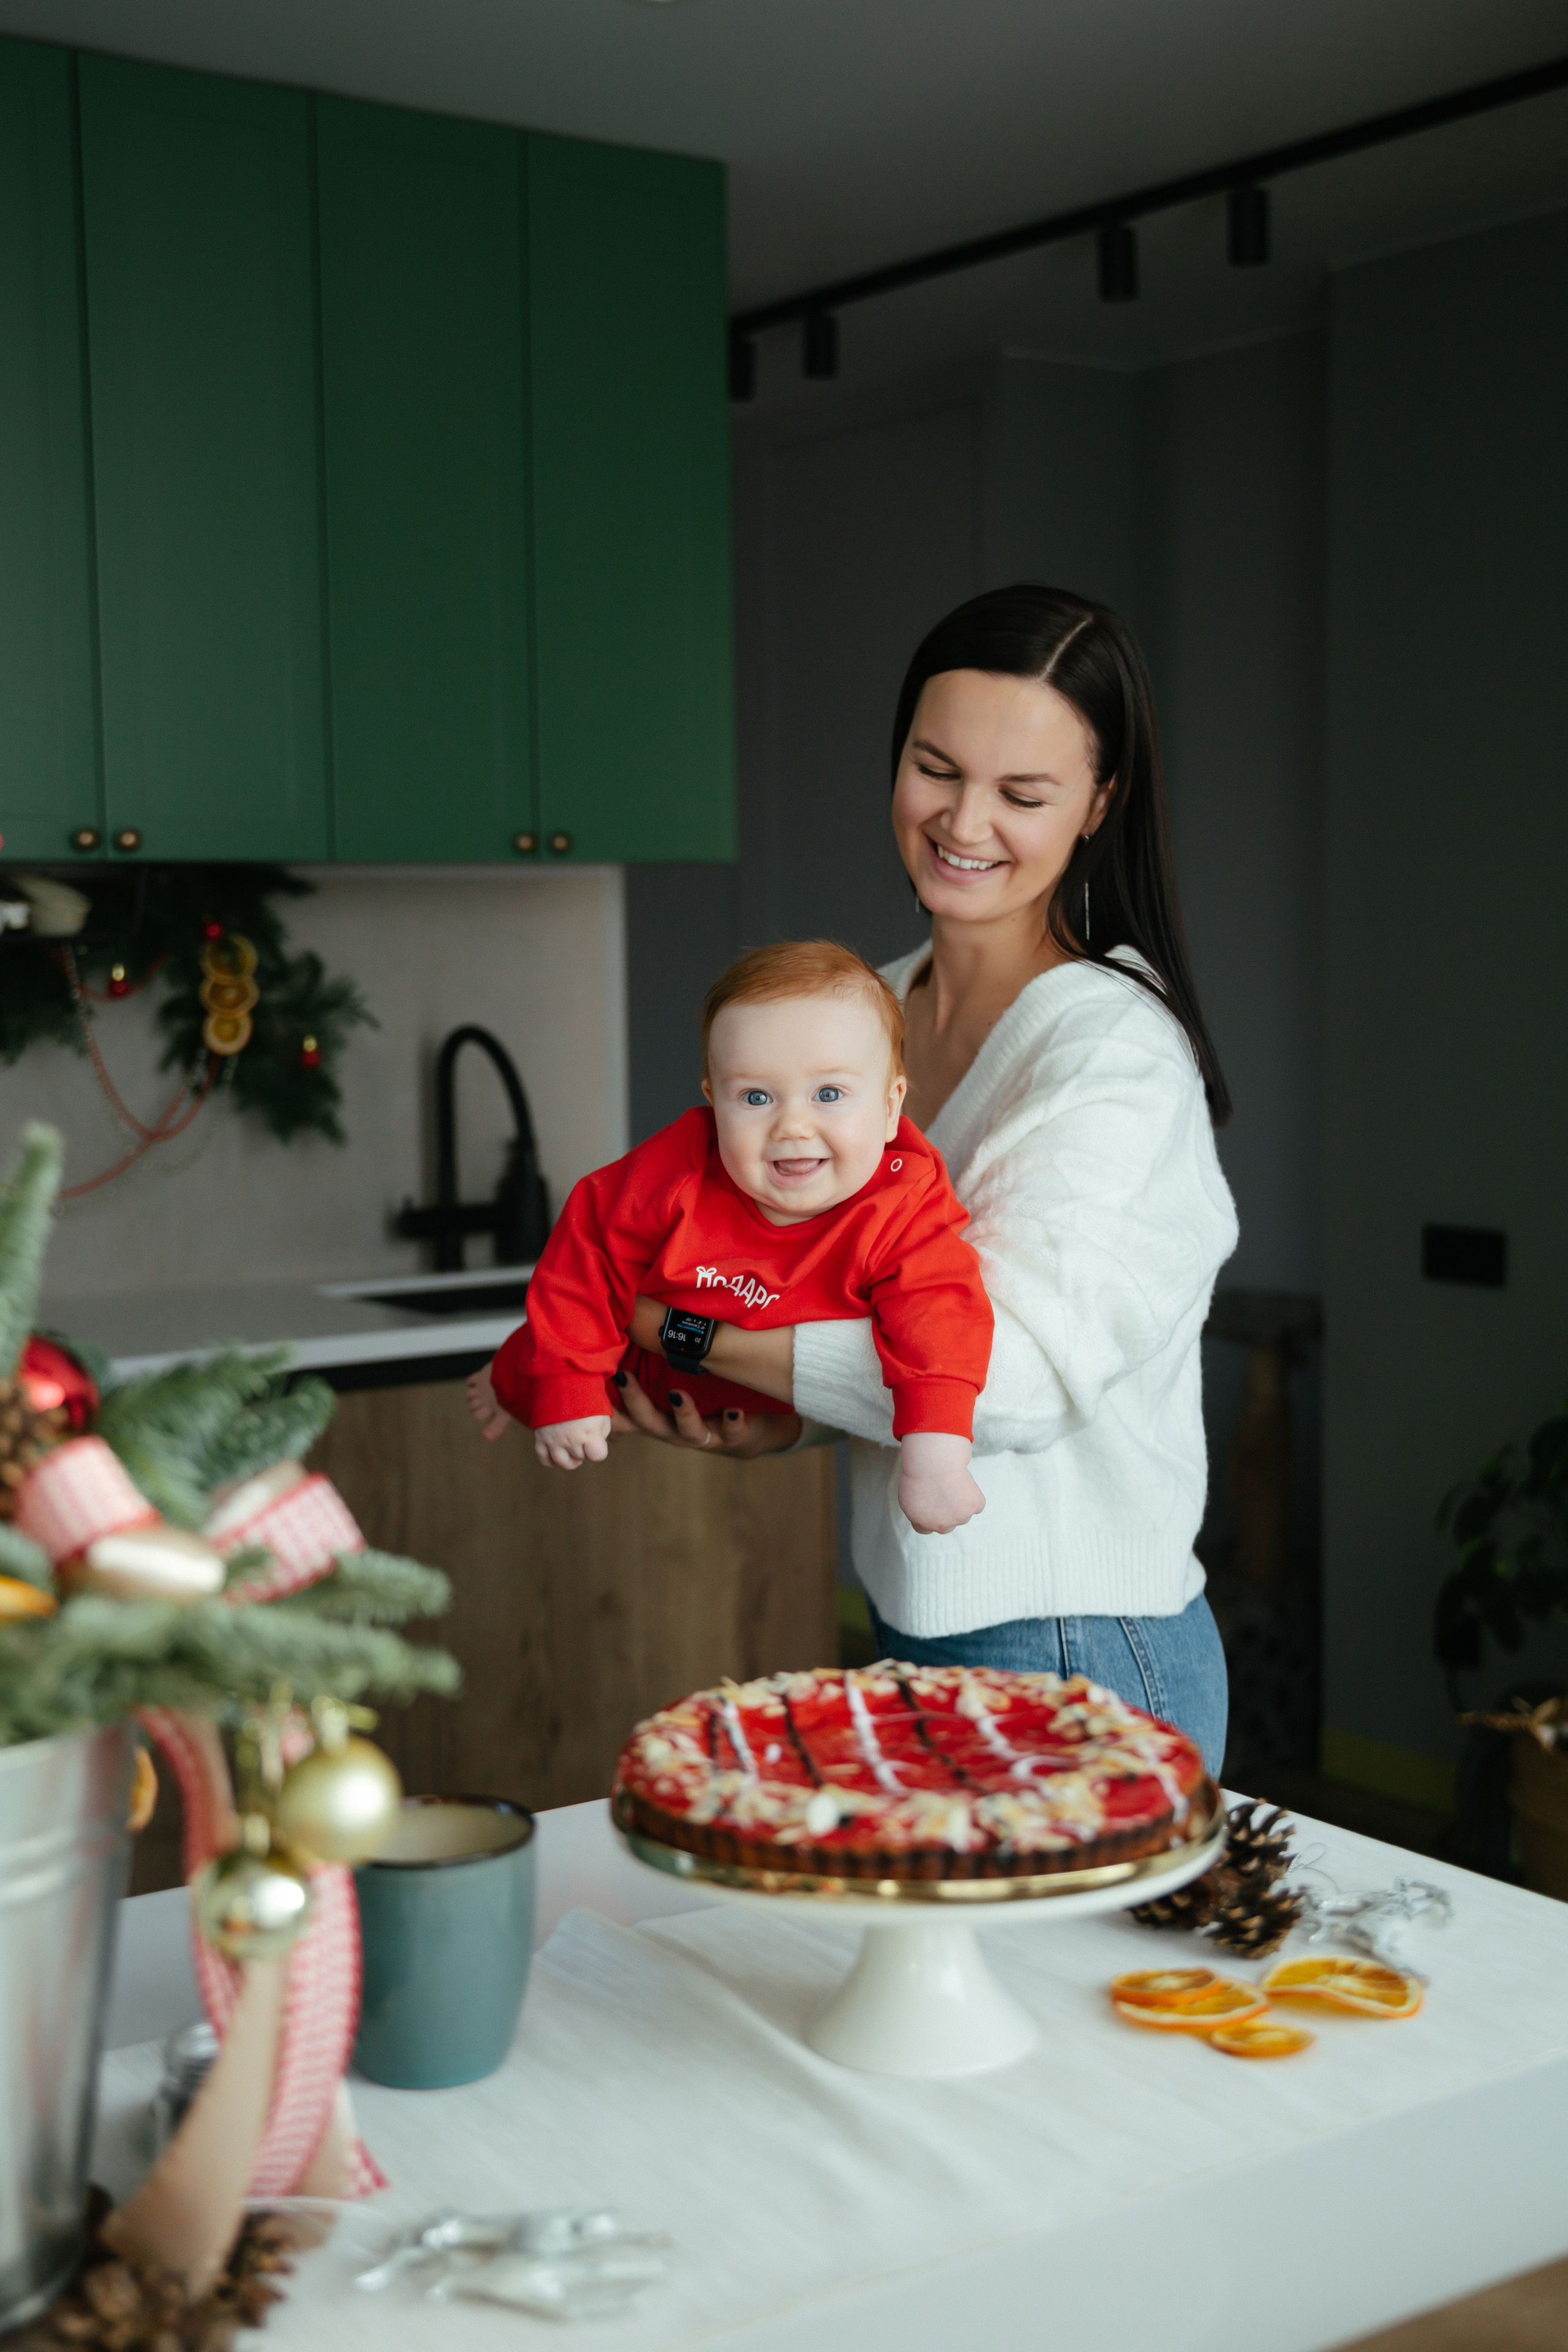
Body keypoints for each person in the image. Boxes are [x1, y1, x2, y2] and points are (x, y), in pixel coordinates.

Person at [601, 584, 1238, 1775]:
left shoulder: (1109, 1055)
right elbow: (824, 1285)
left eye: (1022, 792)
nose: (963, 820)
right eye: (934, 767)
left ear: (1099, 805)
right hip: (915, 1620)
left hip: (1079, 1641)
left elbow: (992, 1378)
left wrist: (668, 1322)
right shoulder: (870, 1014)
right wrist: (777, 1424)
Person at [467, 940, 994, 1537]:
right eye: (755, 1097)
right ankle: (500, 1379)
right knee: (533, 1367)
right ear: (713, 1102)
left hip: (765, 1390)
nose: (791, 1126)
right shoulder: (674, 1177)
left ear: (891, 1102)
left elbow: (940, 1320)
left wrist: (936, 1451)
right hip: (641, 1357)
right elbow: (585, 1257)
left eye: (828, 1095)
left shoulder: (902, 1206)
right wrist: (564, 1387)